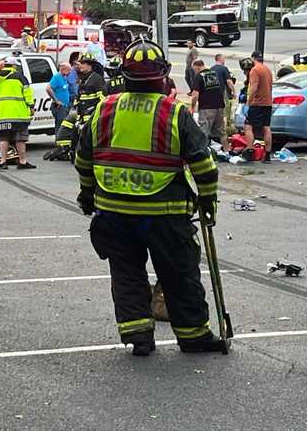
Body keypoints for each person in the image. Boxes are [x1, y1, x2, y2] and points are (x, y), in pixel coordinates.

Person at [75, 39, 224, 356]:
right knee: (179, 275)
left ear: (123, 75)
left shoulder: (105, 108)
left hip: (112, 213)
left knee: (127, 274)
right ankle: (194, 336)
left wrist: (87, 195)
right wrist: (208, 202)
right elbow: (204, 166)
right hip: (165, 215)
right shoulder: (174, 113)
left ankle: (138, 336)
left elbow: (83, 159)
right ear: (163, 75)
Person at [49, 52, 106, 161]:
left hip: (90, 116)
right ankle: (64, 151)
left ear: (90, 65)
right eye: (80, 63)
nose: (80, 65)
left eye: (83, 63)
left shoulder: (96, 79)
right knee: (64, 131)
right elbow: (78, 96)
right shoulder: (84, 78)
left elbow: (102, 99)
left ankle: (84, 156)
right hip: (79, 115)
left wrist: (95, 114)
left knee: (86, 140)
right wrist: (75, 108)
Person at [0, 57, 37, 170]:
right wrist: (31, 106)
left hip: (1, 114)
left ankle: (3, 162)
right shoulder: (19, 77)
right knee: (20, 139)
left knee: (3, 139)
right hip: (18, 114)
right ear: (14, 66)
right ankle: (22, 162)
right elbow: (27, 93)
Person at [243, 51, 274, 163]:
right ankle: (267, 155)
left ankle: (250, 152)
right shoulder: (267, 70)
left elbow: (254, 87)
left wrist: (248, 103)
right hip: (267, 103)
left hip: (257, 103)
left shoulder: (255, 70)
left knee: (248, 126)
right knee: (266, 127)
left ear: (253, 58)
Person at [190, 59, 226, 148]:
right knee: (218, 132)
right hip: (219, 106)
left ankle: (204, 153)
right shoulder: (214, 74)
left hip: (206, 108)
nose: (194, 71)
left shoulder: (198, 76)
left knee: (204, 132)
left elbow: (195, 95)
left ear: (197, 67)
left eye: (194, 69)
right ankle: (220, 151)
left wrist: (192, 107)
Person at [212, 54, 236, 133]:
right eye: (224, 59)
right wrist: (234, 91)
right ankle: (223, 129)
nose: (224, 60)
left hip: (212, 94)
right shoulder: (224, 69)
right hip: (221, 94)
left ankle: (214, 129)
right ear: (220, 59)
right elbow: (229, 81)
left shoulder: (211, 69)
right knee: (223, 113)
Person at [46, 62, 71, 131]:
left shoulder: (64, 78)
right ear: (63, 69)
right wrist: (56, 101)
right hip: (59, 107)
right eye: (68, 70)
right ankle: (58, 140)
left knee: (64, 126)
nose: (70, 72)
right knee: (60, 126)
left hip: (65, 105)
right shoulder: (57, 77)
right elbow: (48, 89)